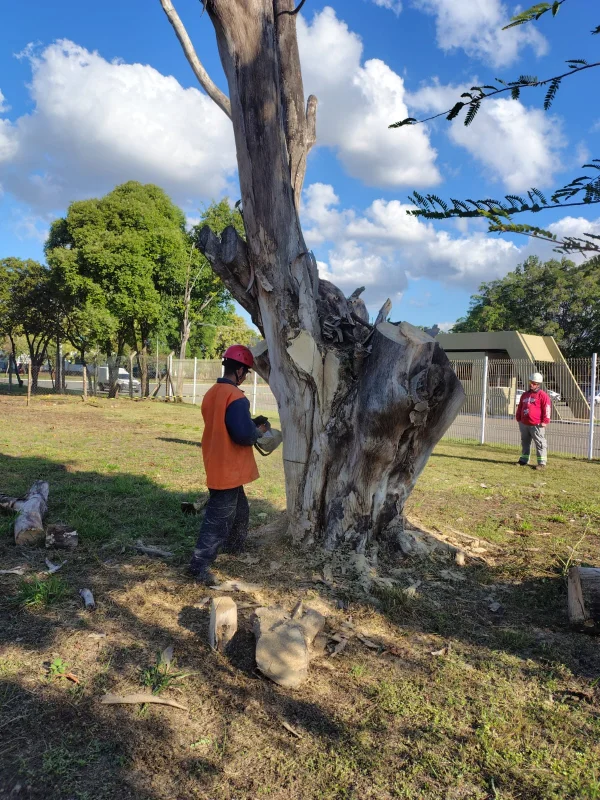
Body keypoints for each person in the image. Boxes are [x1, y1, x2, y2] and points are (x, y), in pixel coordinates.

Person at [188, 344, 268, 585]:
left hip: (217, 461)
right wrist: (258, 430)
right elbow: (243, 436)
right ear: (241, 370)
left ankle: (235, 546)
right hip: (228, 467)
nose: (245, 377)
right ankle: (199, 565)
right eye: (246, 373)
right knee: (217, 519)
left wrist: (249, 422)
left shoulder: (213, 392)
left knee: (241, 510)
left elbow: (224, 423)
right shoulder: (236, 396)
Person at [515, 371, 552, 470]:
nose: (532, 384)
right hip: (524, 423)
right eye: (531, 382)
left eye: (534, 383)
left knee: (540, 443)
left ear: (538, 384)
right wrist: (518, 417)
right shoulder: (525, 395)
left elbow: (547, 408)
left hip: (537, 424)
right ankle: (523, 460)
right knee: (525, 442)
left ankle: (542, 463)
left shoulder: (543, 395)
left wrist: (545, 421)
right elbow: (520, 407)